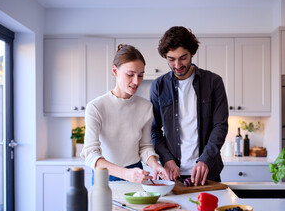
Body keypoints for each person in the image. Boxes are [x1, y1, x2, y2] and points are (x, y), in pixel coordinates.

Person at [150, 26, 228, 186]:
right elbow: (154, 130)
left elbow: (220, 126)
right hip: (171, 175)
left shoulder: (213, 82)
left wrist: (205, 160)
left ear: (192, 53)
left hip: (208, 172)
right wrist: (167, 159)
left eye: (183, 58)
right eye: (171, 59)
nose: (177, 65)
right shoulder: (158, 86)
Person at [81, 44, 169, 183]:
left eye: (140, 75)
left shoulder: (145, 107)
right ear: (115, 71)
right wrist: (125, 174)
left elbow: (145, 147)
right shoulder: (96, 107)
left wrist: (155, 165)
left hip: (136, 173)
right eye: (130, 74)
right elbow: (90, 155)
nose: (136, 81)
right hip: (104, 175)